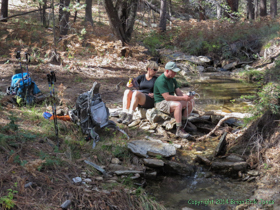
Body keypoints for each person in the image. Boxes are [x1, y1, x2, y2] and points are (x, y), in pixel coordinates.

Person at [153, 61, 194, 138]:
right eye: (174, 72)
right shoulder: (161, 80)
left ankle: (184, 122)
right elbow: (167, 97)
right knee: (178, 105)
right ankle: (179, 129)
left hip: (170, 101)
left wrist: (188, 96)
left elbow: (178, 93)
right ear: (167, 71)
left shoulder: (173, 79)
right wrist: (182, 98)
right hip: (161, 102)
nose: (175, 73)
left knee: (191, 102)